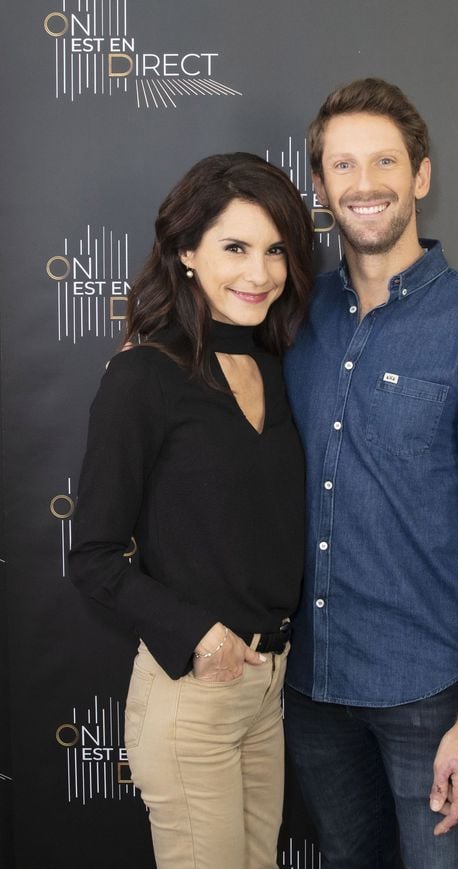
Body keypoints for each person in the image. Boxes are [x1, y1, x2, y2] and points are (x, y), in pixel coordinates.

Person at [282, 79, 458, 869]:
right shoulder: (295, 319)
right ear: (323, 186)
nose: (365, 183)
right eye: (343, 165)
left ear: (421, 176)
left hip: (428, 697)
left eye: (384, 161)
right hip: (308, 690)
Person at [69, 152, 313, 869]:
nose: (259, 272)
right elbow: (92, 557)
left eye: (275, 250)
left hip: (268, 694)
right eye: (234, 247)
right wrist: (199, 634)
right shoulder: (144, 375)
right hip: (193, 696)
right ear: (185, 252)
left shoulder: (276, 366)